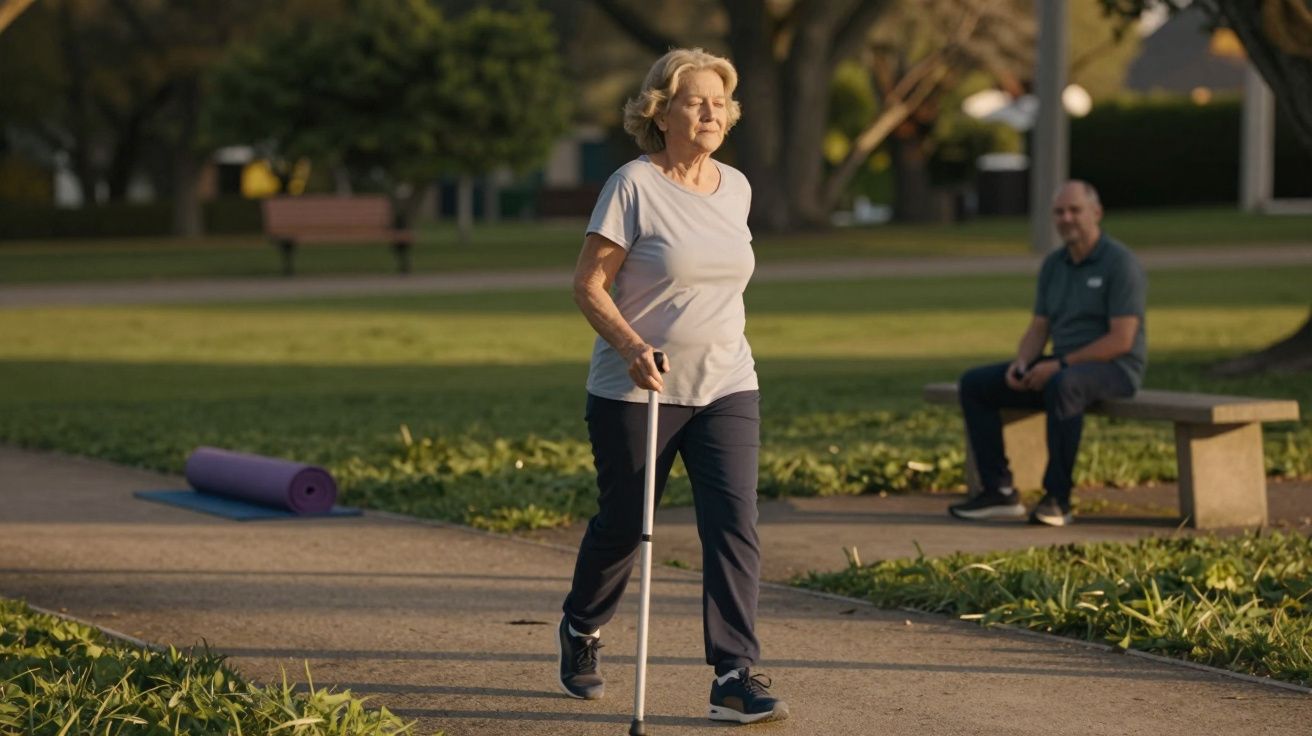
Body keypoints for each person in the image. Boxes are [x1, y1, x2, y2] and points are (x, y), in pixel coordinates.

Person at [555, 47, 788, 725]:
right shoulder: (633, 185)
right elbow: (588, 285)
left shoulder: (736, 187)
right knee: (626, 525)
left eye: (720, 102)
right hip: (639, 389)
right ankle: (582, 625)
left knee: (734, 523)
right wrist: (631, 346)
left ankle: (734, 673)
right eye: (696, 101)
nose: (712, 112)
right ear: (661, 112)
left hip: (727, 382)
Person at [948, 180, 1147, 527]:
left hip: (1114, 368)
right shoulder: (1054, 264)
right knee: (976, 384)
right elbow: (1040, 326)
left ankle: (1058, 499)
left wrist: (1060, 365)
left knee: (1064, 385)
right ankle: (999, 491)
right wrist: (1023, 363)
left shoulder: (1120, 263)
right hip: (1063, 365)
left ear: (1096, 213)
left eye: (1075, 210)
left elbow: (1121, 340)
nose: (1066, 218)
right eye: (1059, 212)